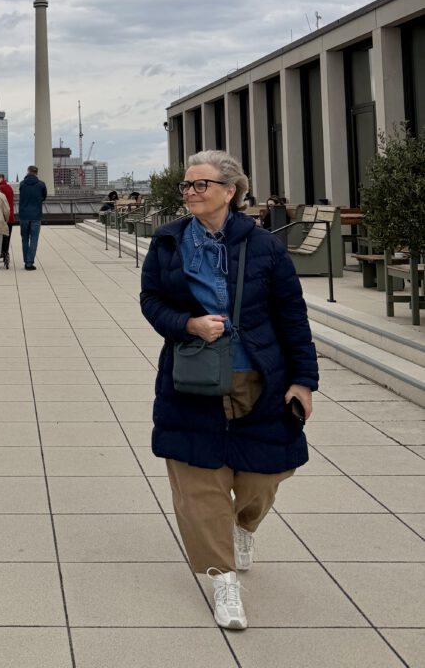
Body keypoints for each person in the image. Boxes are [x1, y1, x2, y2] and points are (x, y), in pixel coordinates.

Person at [140, 149, 318, 631]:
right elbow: (151, 300)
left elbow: (292, 315)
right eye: (187, 185)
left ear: (230, 191)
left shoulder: (264, 247)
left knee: (265, 475)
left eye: (201, 184)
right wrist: (189, 324)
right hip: (191, 378)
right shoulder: (168, 241)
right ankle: (223, 580)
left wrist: (303, 380)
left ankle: (243, 525)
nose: (190, 192)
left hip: (259, 377)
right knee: (198, 484)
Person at [18, 165, 47, 270]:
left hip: (24, 215)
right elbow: (44, 197)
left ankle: (26, 260)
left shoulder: (22, 184)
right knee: (34, 239)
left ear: (28, 171)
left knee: (24, 239)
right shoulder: (41, 184)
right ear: (36, 173)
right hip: (36, 215)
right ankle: (29, 262)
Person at [0, 173, 15, 267]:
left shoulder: (0, 188)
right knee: (7, 236)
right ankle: (5, 253)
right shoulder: (9, 187)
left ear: (1, 178)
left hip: (2, 217)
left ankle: (1, 253)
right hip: (10, 216)